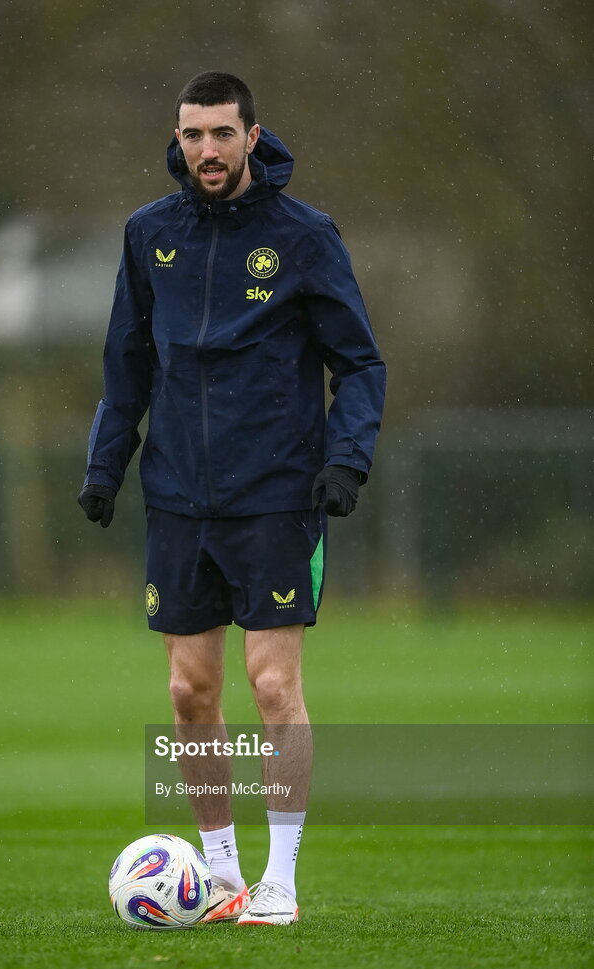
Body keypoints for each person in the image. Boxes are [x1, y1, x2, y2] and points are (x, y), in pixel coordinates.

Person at [78, 71, 386, 925]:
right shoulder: (149, 236)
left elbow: (360, 361)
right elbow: (126, 367)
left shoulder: (303, 237)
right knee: (189, 693)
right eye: (191, 135)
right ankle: (222, 874)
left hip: (277, 493)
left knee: (273, 686)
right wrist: (106, 468)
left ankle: (281, 881)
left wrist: (345, 460)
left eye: (220, 133)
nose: (205, 150)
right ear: (176, 141)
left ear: (253, 136)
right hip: (177, 493)